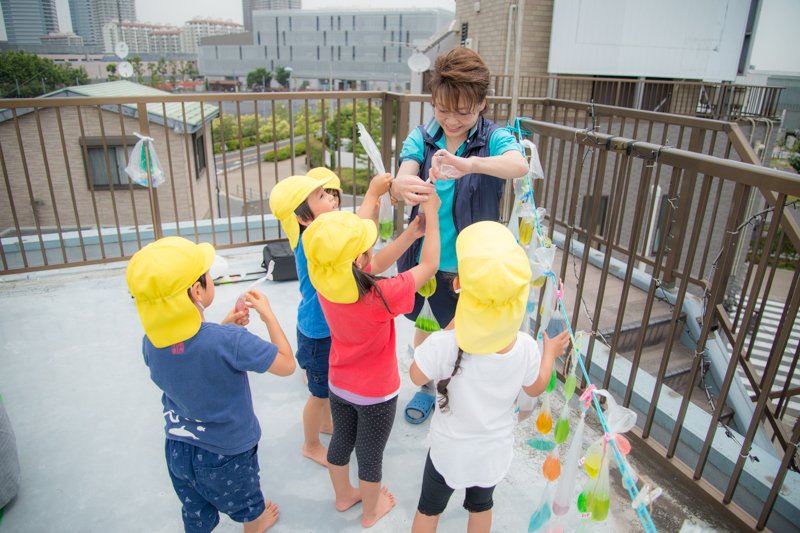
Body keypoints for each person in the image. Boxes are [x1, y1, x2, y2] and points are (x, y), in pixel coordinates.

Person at [390, 47, 529, 424]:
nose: (451, 120)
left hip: (474, 265)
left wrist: (470, 164)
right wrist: (405, 186)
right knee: (428, 328)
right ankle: (426, 389)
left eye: (463, 111)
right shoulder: (422, 136)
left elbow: (518, 165)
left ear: (482, 103)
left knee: (471, 331)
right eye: (442, 108)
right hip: (429, 258)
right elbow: (404, 173)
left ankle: (461, 392)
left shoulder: (493, 138)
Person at [125, 236, 296, 533]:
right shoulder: (229, 342)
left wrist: (224, 326)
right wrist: (267, 315)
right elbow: (286, 364)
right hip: (227, 453)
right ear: (196, 291)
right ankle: (253, 526)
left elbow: (189, 352)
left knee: (196, 512)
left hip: (178, 450)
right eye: (209, 276)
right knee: (247, 504)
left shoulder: (150, 343)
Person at [408, 222, 570, 533]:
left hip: (449, 452)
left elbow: (417, 376)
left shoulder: (444, 345)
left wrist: (451, 327)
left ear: (458, 285)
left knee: (429, 510)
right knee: (481, 507)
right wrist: (549, 353)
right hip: (492, 453)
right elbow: (536, 386)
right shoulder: (524, 347)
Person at [302, 193, 440, 528]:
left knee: (340, 443)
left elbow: (369, 267)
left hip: (340, 385)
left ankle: (343, 496)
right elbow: (430, 266)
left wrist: (410, 235)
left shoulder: (326, 283)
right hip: (376, 395)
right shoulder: (382, 295)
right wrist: (433, 216)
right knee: (370, 455)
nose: (371, 252)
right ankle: (370, 511)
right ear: (360, 258)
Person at [268, 172, 391, 466]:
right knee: (318, 394)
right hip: (318, 333)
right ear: (304, 217)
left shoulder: (310, 237)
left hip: (318, 326)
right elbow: (358, 233)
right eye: (322, 196)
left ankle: (326, 425)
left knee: (325, 384)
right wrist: (372, 195)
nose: (332, 199)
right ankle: (310, 444)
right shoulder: (317, 243)